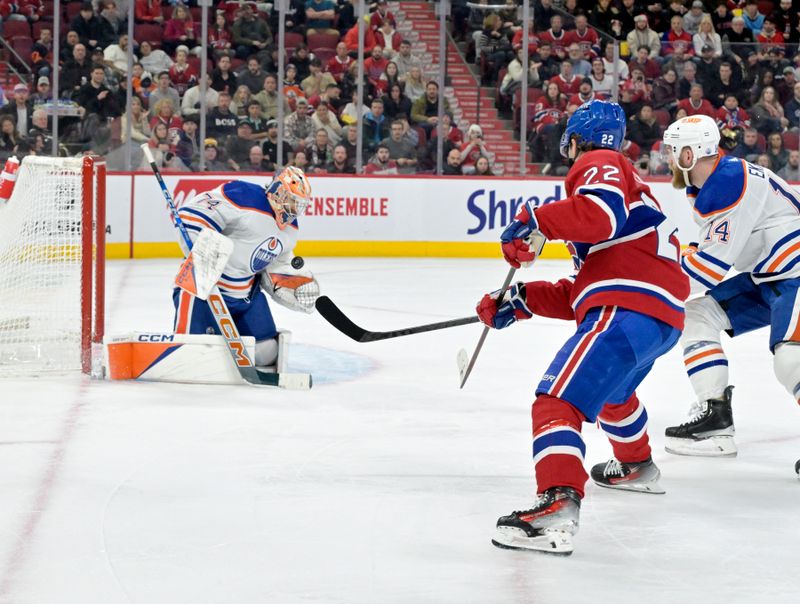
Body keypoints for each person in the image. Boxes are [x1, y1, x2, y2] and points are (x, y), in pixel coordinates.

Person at [479, 100, 689, 555]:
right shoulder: (628, 198)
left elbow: (599, 214)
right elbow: (584, 289)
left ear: (576, 141)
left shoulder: (601, 161)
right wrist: (522, 298)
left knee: (556, 401)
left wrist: (535, 220)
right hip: (657, 316)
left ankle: (556, 505)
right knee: (613, 395)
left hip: (629, 304)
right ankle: (636, 466)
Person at [660, 114, 800, 462]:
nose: (667, 157)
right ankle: (715, 419)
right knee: (698, 316)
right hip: (770, 277)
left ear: (689, 155)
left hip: (795, 273)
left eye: (672, 150)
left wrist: (650, 280)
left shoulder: (728, 183)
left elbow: (706, 271)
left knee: (791, 360)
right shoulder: (713, 181)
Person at [173, 167, 318, 370]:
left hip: (246, 297)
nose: (294, 209)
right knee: (193, 353)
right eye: (292, 200)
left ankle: (223, 353)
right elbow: (191, 214)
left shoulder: (291, 230)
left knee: (267, 352)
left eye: (299, 204)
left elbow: (277, 263)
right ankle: (210, 348)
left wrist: (294, 283)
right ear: (277, 190)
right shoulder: (244, 195)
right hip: (206, 291)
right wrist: (205, 245)